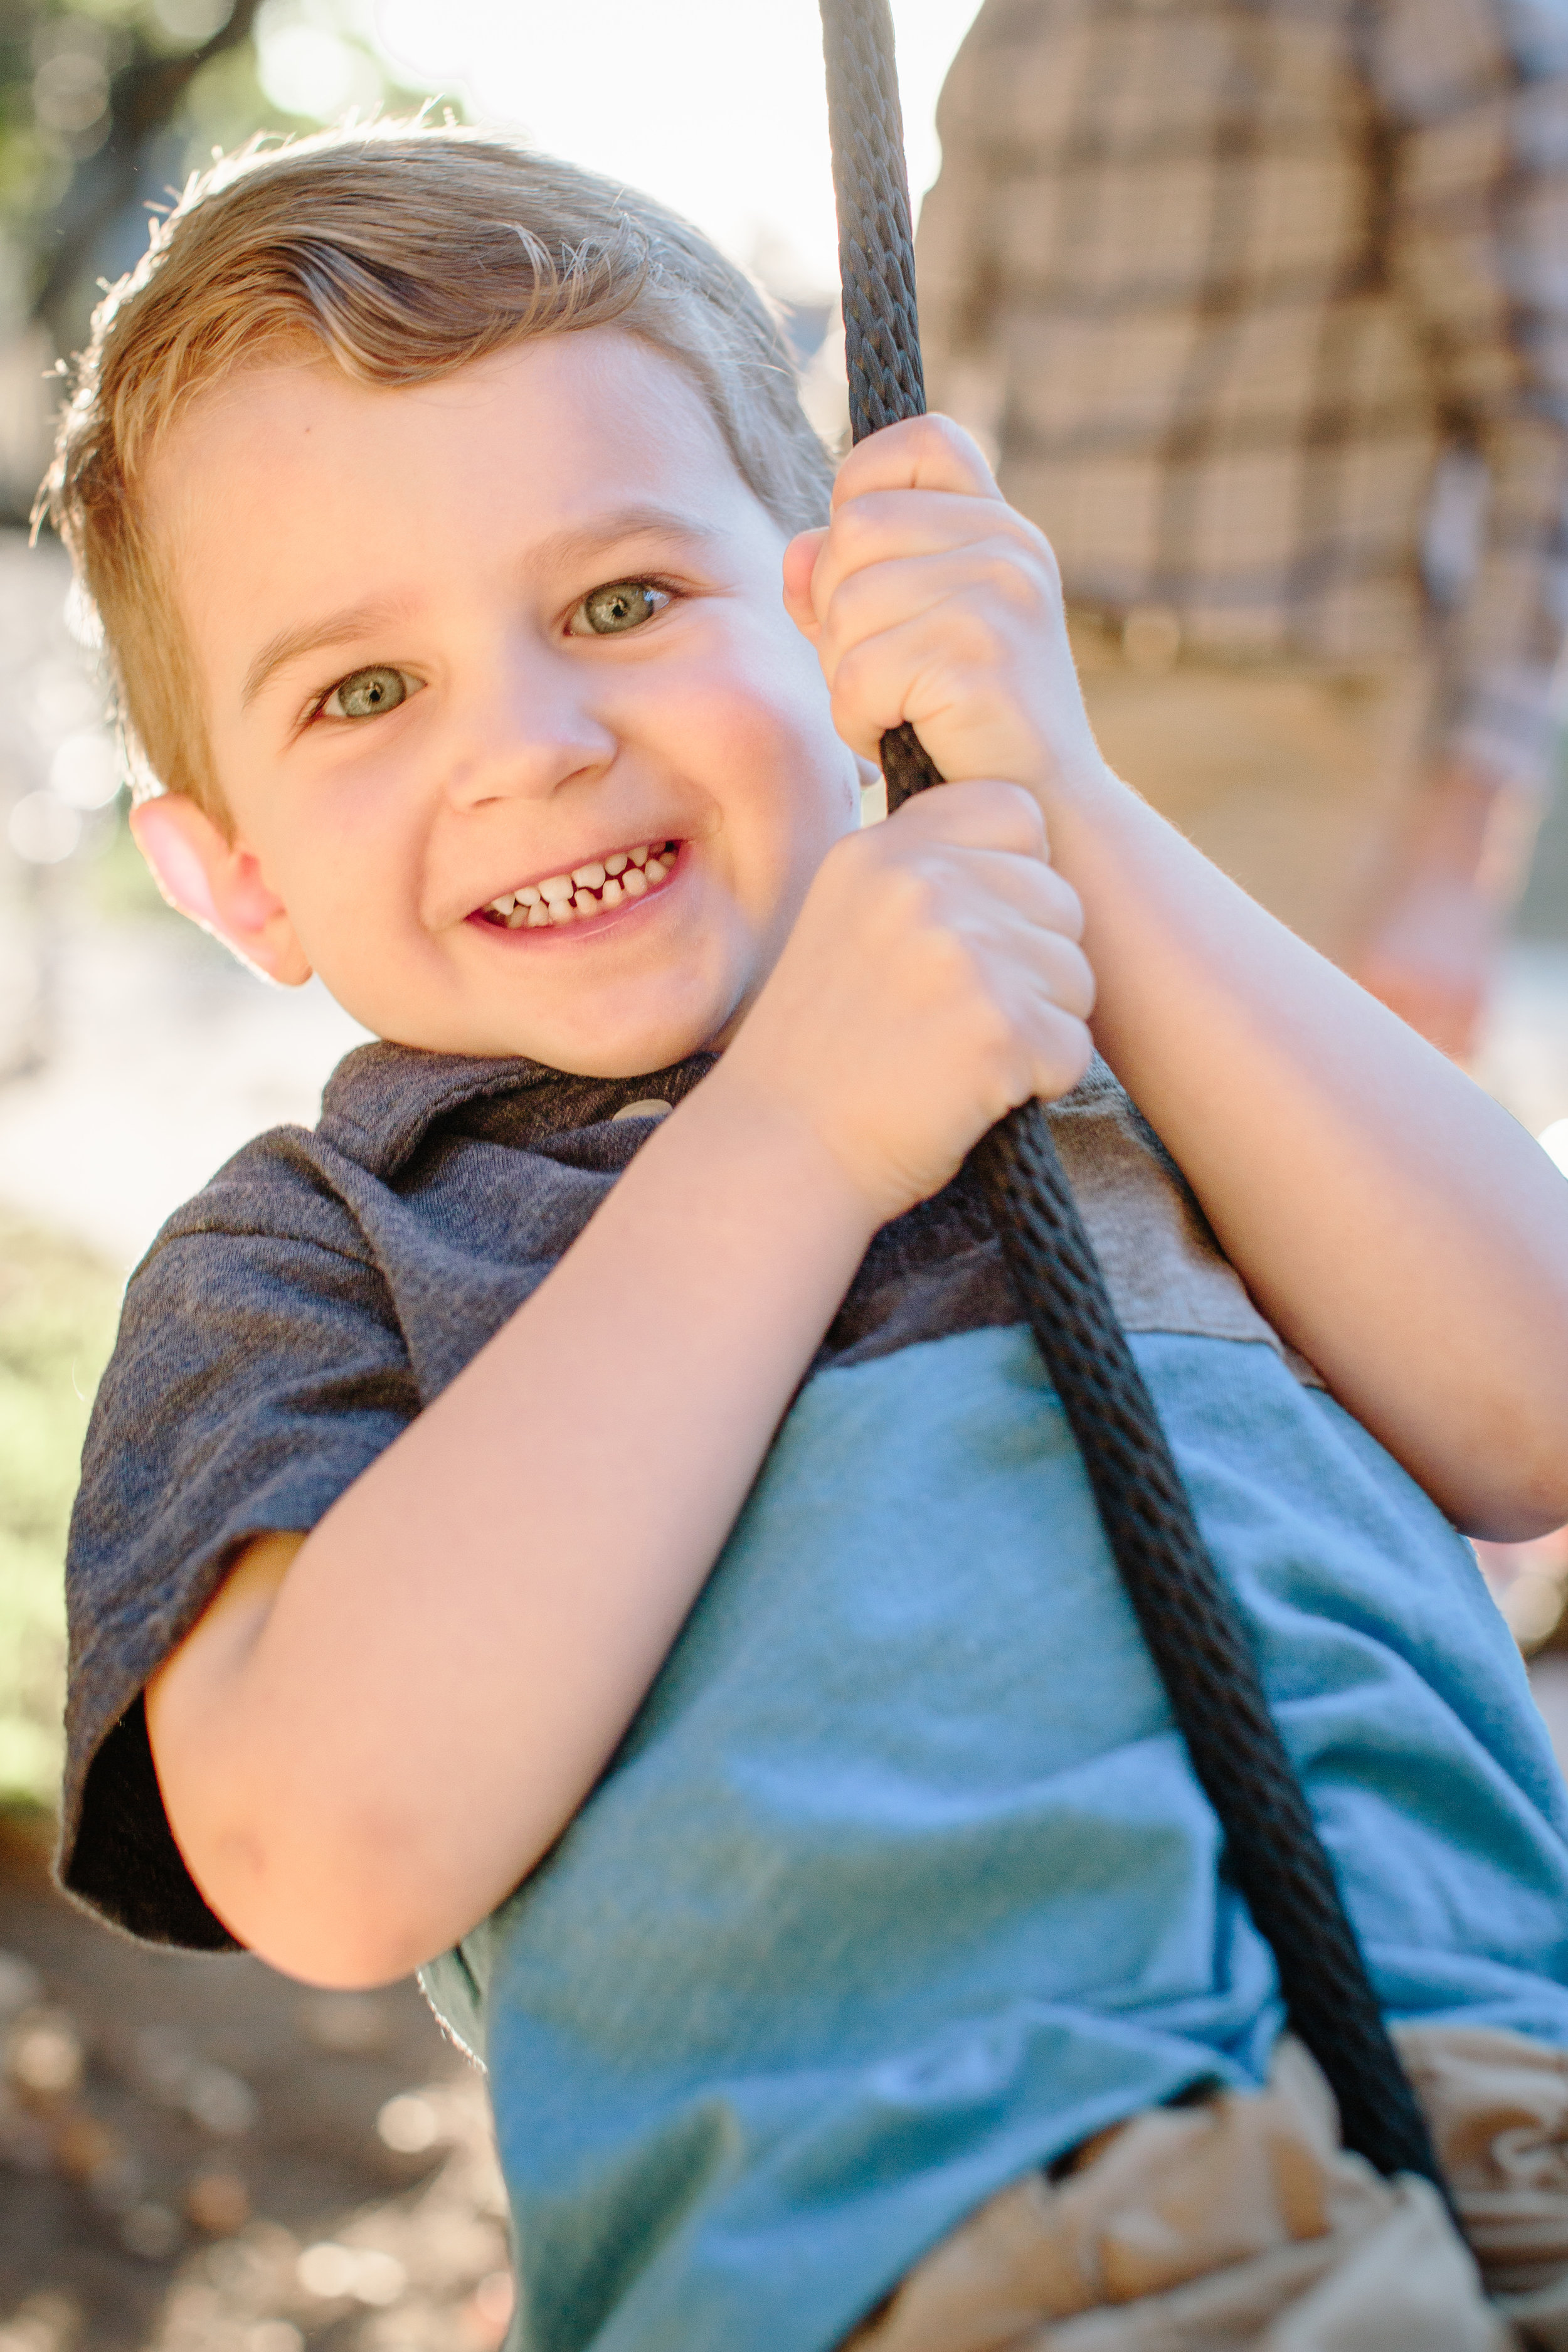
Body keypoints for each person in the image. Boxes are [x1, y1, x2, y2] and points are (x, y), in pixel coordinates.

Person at [51, 126, 1568, 2350]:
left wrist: (1053, 783)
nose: (537, 747)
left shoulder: (1115, 1037)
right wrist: (790, 1142)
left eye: (622, 601)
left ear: (830, 610)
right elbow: (329, 1853)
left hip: (1510, 2106)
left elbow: (1532, 1400)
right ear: (232, 876)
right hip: (966, 2244)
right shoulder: (317, 1257)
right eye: (363, 695)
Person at [916, 0, 1568, 1061]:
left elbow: (1545, 425)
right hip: (1038, 702)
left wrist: (1455, 864)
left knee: (1262, 1186)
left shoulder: (1435, 22)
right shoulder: (1026, 23)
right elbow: (918, 359)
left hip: (1307, 738)